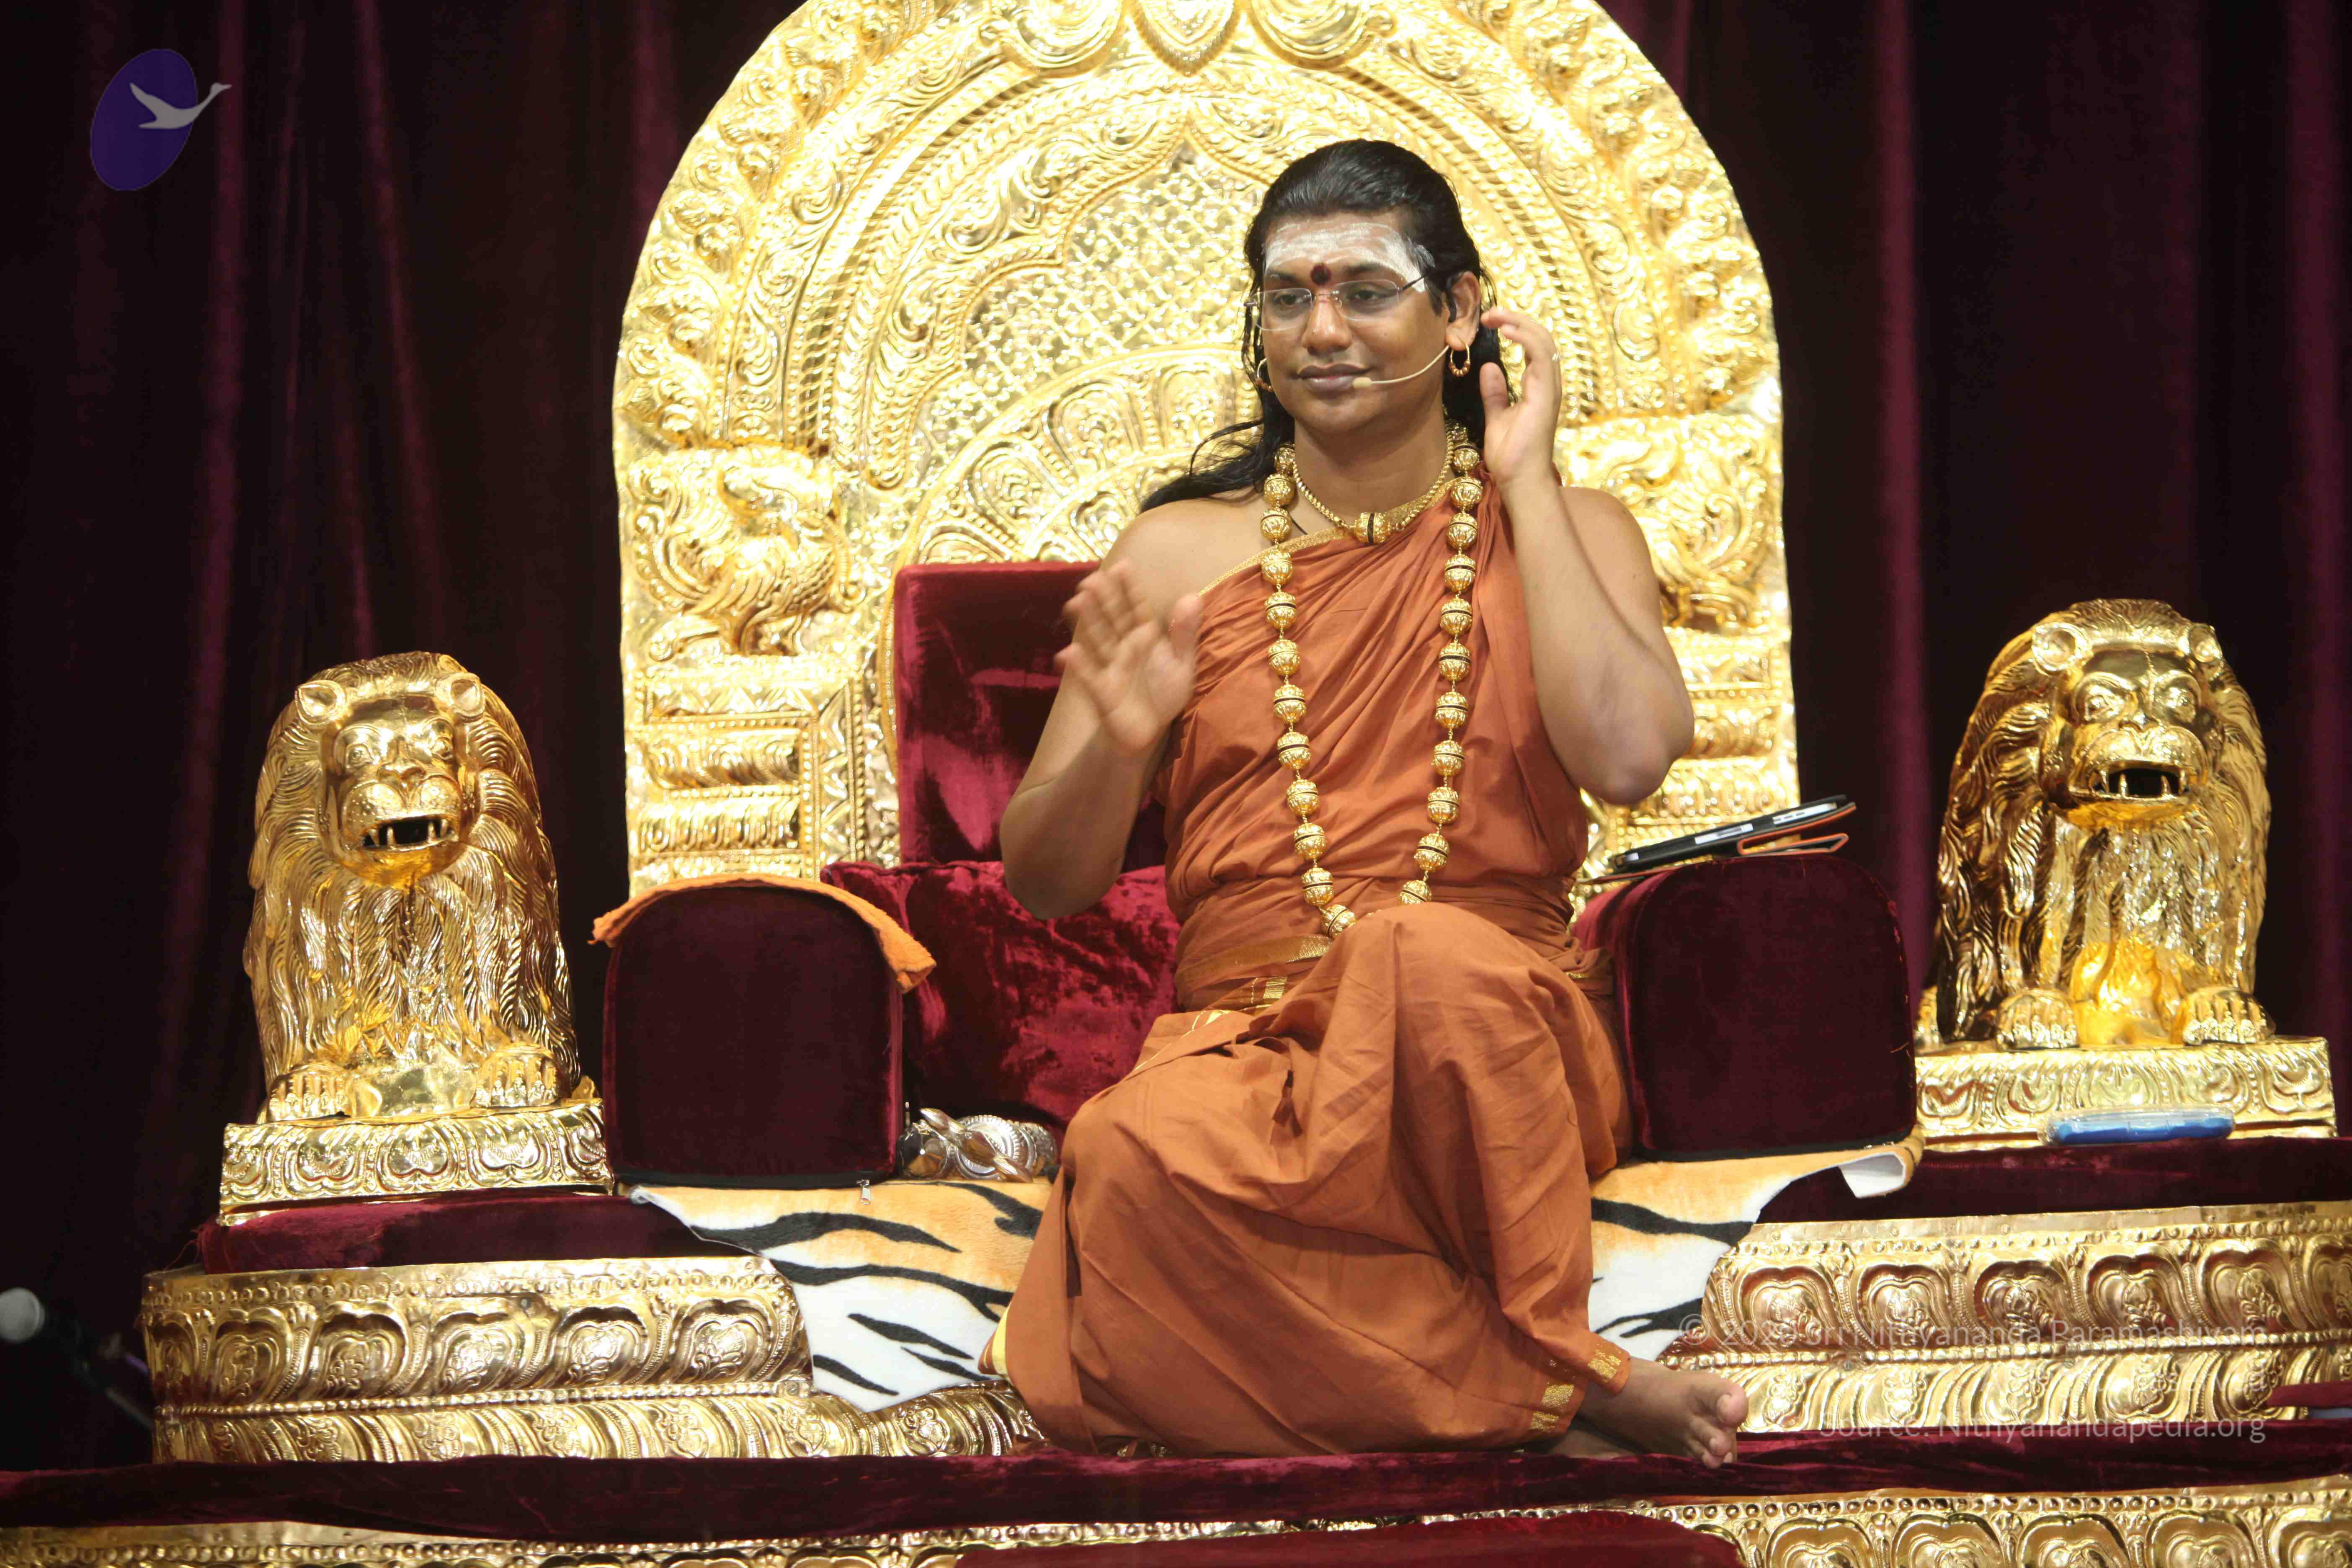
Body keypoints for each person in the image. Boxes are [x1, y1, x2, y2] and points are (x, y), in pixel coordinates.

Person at [988, 138, 1748, 1463]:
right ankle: (1556, 1395)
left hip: (1484, 1046)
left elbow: (1630, 758)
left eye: (1365, 291)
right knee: (1122, 1154)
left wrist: (1524, 482)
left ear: (1458, 315)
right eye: (1289, 297)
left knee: (1416, 952)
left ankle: (1447, 1384)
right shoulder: (1178, 552)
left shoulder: (1574, 527)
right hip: (1253, 1057)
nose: (1322, 330)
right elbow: (1046, 881)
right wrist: (1121, 743)